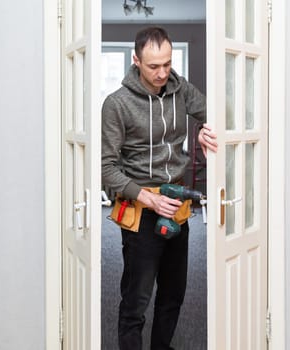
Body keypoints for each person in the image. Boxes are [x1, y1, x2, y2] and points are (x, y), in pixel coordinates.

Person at [101, 26, 218, 350]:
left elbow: (220, 117)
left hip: (177, 206)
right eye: (154, 66)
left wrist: (204, 132)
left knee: (173, 294)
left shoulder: (180, 90)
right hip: (141, 209)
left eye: (167, 63)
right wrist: (149, 200)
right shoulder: (117, 104)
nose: (162, 72)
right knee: (136, 301)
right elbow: (106, 169)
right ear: (136, 60)